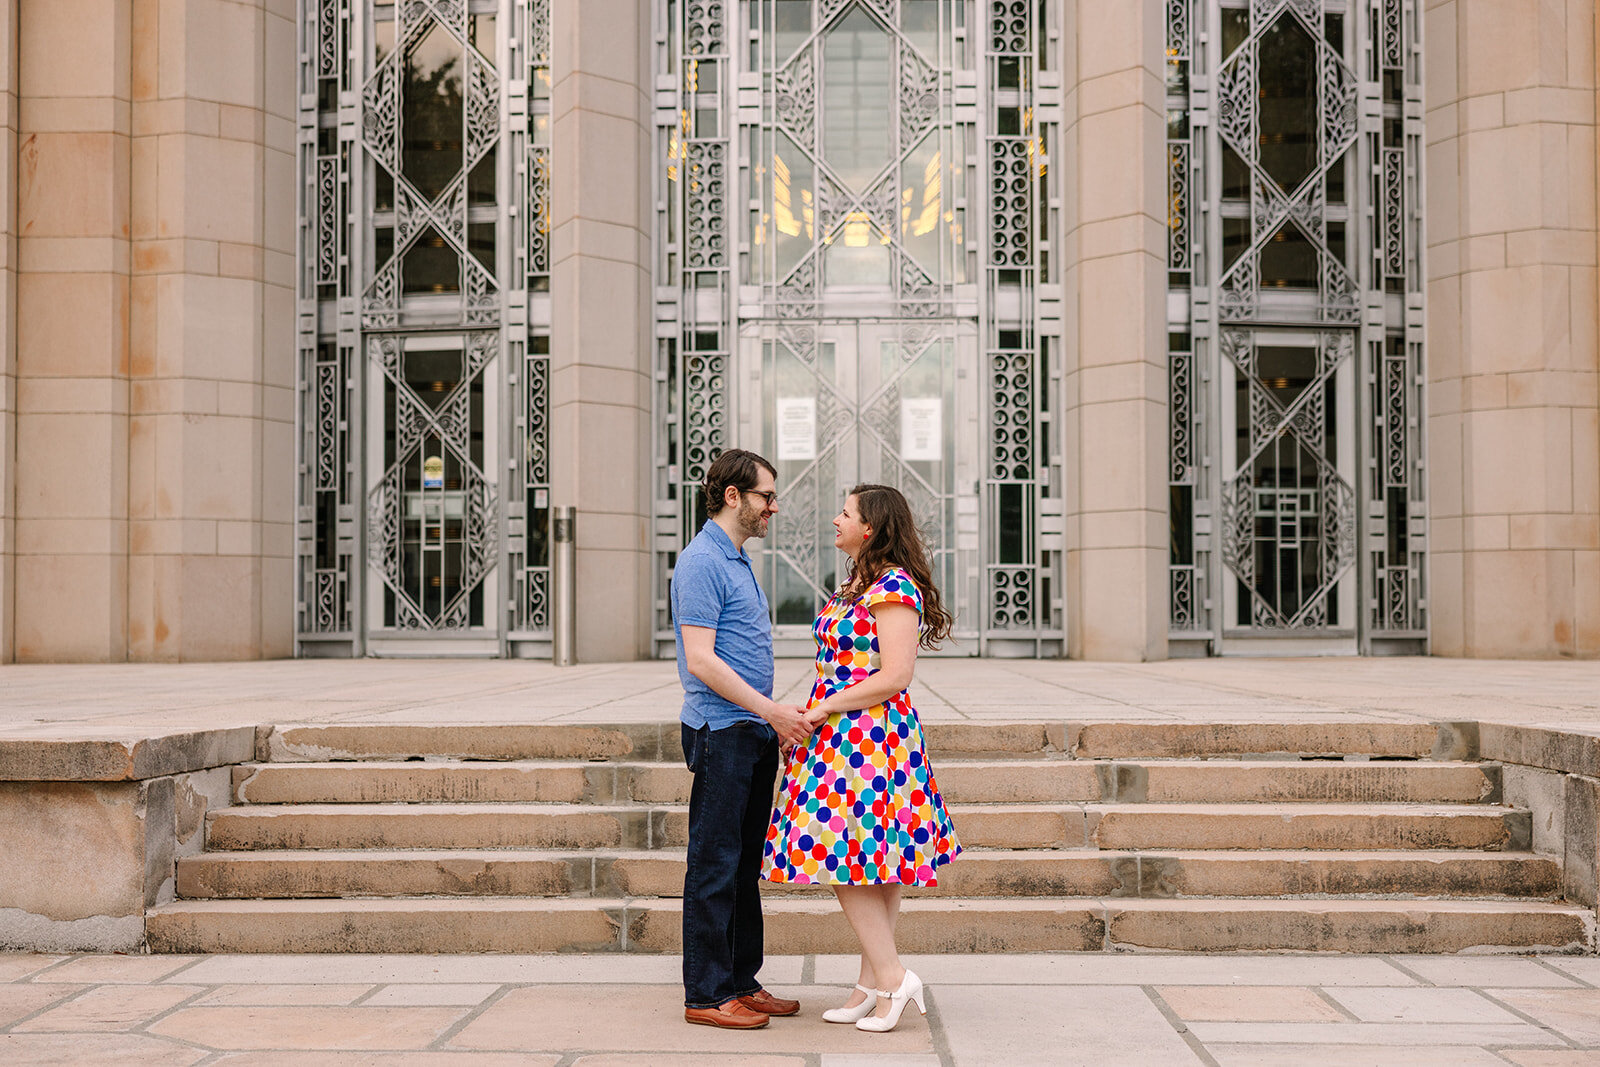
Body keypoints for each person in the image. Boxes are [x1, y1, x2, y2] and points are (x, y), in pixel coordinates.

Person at [762, 484, 961, 1033]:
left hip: (872, 737)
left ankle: (894, 979)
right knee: (871, 861)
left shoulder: (894, 586)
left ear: (869, 526)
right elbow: (840, 664)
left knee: (844, 855)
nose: (834, 519)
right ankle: (870, 985)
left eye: (845, 513)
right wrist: (815, 710)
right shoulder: (857, 583)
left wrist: (821, 707)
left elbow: (895, 675)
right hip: (844, 733)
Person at [672, 448, 815, 1030]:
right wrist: (771, 713)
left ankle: (740, 980)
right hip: (721, 730)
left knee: (742, 863)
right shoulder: (701, 561)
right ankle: (705, 995)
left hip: (751, 729)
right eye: (766, 497)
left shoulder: (734, 558)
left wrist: (768, 721)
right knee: (714, 862)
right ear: (734, 496)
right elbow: (702, 661)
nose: (773, 508)